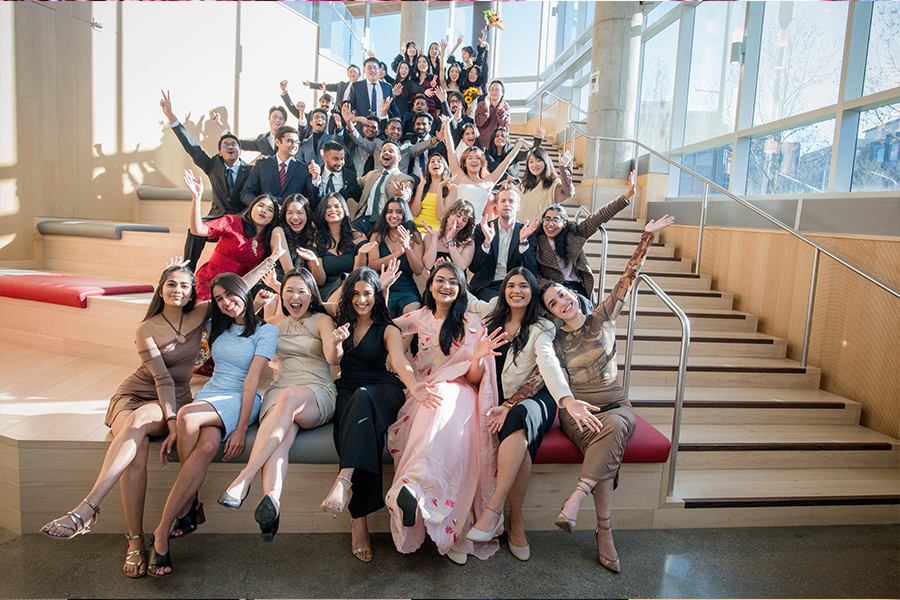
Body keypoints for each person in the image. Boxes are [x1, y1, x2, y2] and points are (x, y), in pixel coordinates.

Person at [39, 254, 280, 578]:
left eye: (184, 286)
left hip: (199, 398)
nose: (178, 291)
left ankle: (165, 529)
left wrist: (273, 259)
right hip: (151, 393)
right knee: (158, 438)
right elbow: (163, 378)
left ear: (193, 292)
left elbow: (239, 290)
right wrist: (172, 424)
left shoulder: (210, 316)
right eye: (171, 285)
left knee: (191, 430)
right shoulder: (164, 326)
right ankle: (124, 528)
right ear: (160, 289)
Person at [540, 214, 674, 573]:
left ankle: (576, 498)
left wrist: (645, 238)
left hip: (616, 405)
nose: (561, 302)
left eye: (562, 295)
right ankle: (603, 531)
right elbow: (543, 375)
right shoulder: (552, 338)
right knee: (606, 435)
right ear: (551, 312)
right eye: (553, 303)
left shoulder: (602, 317)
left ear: (573, 294)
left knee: (613, 426)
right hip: (578, 411)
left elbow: (628, 279)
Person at [147, 271, 280, 576]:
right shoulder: (215, 325)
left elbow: (251, 382)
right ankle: (188, 506)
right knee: (206, 445)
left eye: (230, 295)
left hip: (240, 398)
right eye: (218, 299)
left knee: (185, 416)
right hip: (212, 393)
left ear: (243, 292)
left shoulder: (266, 331)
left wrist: (241, 428)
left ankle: (164, 530)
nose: (224, 303)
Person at [384, 262, 506, 565]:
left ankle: (447, 522)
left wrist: (477, 358)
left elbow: (476, 378)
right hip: (425, 389)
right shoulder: (420, 317)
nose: (445, 286)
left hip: (463, 391)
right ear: (430, 284)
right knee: (434, 410)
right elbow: (385, 327)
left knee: (451, 424)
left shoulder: (471, 322)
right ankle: (416, 494)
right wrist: (384, 289)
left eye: (453, 281)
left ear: (461, 287)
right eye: (440, 280)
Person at [463, 266, 588, 562]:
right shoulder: (492, 315)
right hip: (503, 399)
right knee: (518, 433)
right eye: (511, 285)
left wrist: (567, 399)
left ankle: (496, 511)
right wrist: (447, 270)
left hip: (538, 398)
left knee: (519, 416)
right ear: (504, 290)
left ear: (532, 293)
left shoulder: (542, 328)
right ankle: (515, 521)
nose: (516, 291)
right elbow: (468, 300)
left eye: (523, 286)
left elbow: (547, 363)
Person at [320, 267, 441, 562]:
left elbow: (399, 361)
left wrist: (413, 387)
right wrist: (336, 341)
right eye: (357, 293)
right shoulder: (341, 323)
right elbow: (332, 359)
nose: (362, 299)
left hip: (382, 390)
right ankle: (358, 519)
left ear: (377, 296)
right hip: (349, 389)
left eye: (368, 293)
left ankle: (344, 481)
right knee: (362, 426)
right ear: (349, 295)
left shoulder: (388, 329)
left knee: (363, 400)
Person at [218, 268, 341, 542]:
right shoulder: (270, 324)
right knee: (280, 439)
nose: (295, 297)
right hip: (280, 391)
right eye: (289, 291)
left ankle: (244, 479)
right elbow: (241, 334)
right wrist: (256, 305)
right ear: (282, 295)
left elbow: (333, 359)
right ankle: (271, 503)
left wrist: (337, 344)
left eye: (301, 291)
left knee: (287, 399)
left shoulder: (322, 320)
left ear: (311, 295)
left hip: (316, 391)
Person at [159, 90, 252, 273]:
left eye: (234, 144)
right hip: (217, 219)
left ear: (240, 151)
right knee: (195, 230)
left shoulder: (251, 170)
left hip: (240, 221)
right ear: (219, 152)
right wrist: (171, 117)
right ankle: (186, 272)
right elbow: (192, 147)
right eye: (225, 144)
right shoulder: (213, 165)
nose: (230, 147)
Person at [532, 173, 636, 302]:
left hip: (577, 288)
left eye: (555, 220)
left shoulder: (573, 235)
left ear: (564, 224)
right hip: (552, 289)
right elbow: (533, 273)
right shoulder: (537, 241)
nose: (550, 224)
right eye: (547, 219)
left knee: (583, 309)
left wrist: (626, 196)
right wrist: (550, 286)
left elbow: (599, 217)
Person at [187, 170, 283, 302]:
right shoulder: (233, 222)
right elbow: (197, 229)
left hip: (235, 290)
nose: (263, 211)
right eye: (260, 206)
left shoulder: (266, 239)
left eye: (270, 209)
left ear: (273, 218)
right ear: (251, 208)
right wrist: (196, 198)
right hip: (210, 281)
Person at [442, 114, 527, 220]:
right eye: (470, 158)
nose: (474, 161)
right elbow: (451, 150)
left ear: (482, 162)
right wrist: (446, 125)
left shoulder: (488, 181)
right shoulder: (459, 177)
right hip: (459, 224)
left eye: (477, 158)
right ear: (464, 163)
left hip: (477, 228)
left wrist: (519, 145)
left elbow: (506, 162)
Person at [469, 183, 538, 301]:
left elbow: (531, 270)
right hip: (487, 286)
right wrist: (486, 243)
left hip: (515, 286)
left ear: (518, 206)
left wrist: (523, 242)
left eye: (511, 201)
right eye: (503, 201)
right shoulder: (483, 229)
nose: (507, 204)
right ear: (497, 206)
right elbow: (474, 267)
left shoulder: (527, 232)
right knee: (495, 303)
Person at [367, 196, 425, 316]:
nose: (394, 216)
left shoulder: (415, 236)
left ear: (405, 215)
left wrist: (407, 248)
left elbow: (418, 270)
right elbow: (372, 265)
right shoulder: (377, 236)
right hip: (381, 286)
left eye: (399, 212)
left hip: (407, 289)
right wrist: (398, 253)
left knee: (410, 315)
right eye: (389, 212)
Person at [240, 125, 322, 209]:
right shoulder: (262, 164)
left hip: (291, 218)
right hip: (266, 216)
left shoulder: (304, 169)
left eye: (297, 142)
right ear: (277, 142)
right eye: (290, 141)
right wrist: (263, 206)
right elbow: (246, 193)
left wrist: (315, 179)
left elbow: (314, 202)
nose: (294, 145)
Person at [314, 192, 375, 302]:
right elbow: (320, 280)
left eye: (337, 206)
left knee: (348, 279)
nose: (333, 210)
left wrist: (361, 254)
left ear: (344, 210)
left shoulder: (358, 237)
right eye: (327, 207)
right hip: (325, 292)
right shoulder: (316, 240)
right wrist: (314, 260)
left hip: (353, 289)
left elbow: (358, 274)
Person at [352, 141, 416, 235]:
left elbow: (407, 193)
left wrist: (402, 194)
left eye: (391, 151)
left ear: (399, 158)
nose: (386, 153)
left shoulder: (405, 178)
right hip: (366, 219)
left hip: (386, 222)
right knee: (352, 232)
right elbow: (353, 183)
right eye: (384, 151)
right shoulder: (371, 175)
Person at [274, 194, 325, 286]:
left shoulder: (312, 234)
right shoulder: (278, 231)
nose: (295, 217)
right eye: (289, 213)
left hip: (302, 287)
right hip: (279, 284)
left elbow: (320, 281)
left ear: (307, 214)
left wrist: (314, 260)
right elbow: (288, 270)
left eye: (300, 212)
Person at [517, 146, 576, 226]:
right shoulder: (523, 185)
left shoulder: (553, 183)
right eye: (531, 162)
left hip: (540, 231)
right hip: (520, 229)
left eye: (538, 161)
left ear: (545, 162)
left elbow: (567, 192)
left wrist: (563, 167)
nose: (534, 165)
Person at [422, 199, 476, 272]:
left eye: (464, 220)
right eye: (458, 215)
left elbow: (462, 266)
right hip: (436, 281)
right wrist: (434, 238)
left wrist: (450, 241)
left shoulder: (468, 243)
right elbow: (428, 265)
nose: (459, 221)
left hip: (457, 282)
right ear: (449, 214)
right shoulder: (429, 237)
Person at [212, 105, 286, 157]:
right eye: (275, 117)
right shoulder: (261, 140)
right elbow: (240, 143)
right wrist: (219, 124)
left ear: (284, 122)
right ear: (269, 118)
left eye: (281, 118)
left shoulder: (289, 138)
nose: (277, 120)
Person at [349, 57, 401, 122]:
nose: (372, 70)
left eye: (375, 67)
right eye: (369, 67)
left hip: (382, 128)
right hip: (362, 128)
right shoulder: (356, 86)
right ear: (364, 71)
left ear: (379, 70)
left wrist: (398, 119)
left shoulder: (387, 87)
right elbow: (350, 107)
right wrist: (355, 119)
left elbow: (393, 108)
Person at [411, 152, 454, 232]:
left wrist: (439, 188)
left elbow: (440, 217)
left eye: (439, 161)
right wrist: (421, 185)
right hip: (416, 228)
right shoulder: (422, 186)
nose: (435, 163)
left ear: (445, 167)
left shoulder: (451, 188)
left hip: (434, 231)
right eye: (432, 161)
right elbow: (415, 212)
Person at [474, 81, 510, 149]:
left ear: (502, 93)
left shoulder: (505, 106)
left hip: (498, 145)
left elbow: (504, 124)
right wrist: (486, 109)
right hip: (482, 144)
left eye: (497, 89)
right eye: (492, 89)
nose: (494, 92)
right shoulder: (481, 105)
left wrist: (500, 111)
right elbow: (479, 123)